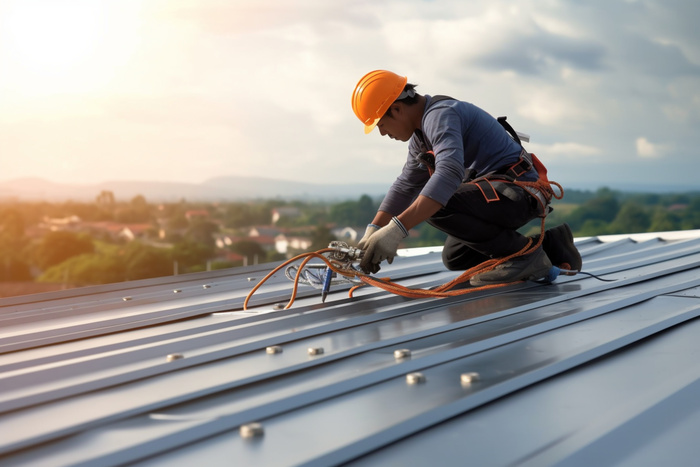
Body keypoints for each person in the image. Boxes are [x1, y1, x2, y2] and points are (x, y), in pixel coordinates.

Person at [350, 70, 581, 285]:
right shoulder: (421, 137)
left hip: (519, 194)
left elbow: (448, 175)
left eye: (381, 124)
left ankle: (526, 258)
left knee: (437, 203)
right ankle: (550, 246)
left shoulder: (440, 116)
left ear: (398, 109)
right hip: (499, 196)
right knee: (455, 256)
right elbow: (405, 185)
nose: (382, 133)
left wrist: (397, 228)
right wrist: (374, 229)